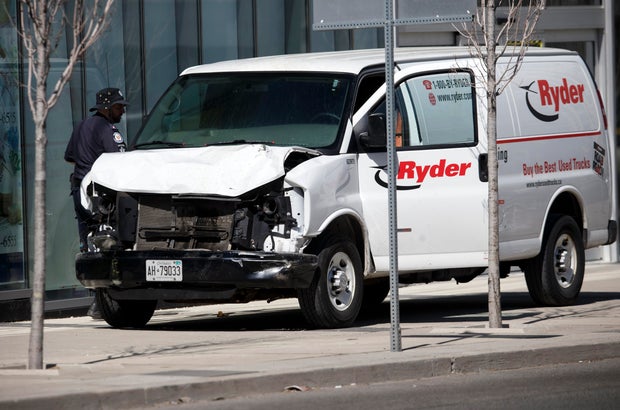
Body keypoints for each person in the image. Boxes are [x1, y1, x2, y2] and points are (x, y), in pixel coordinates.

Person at [65, 87, 128, 318]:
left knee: (89, 244)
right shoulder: (108, 129)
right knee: (108, 244)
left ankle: (96, 300)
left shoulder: (81, 126)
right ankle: (103, 302)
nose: (122, 111)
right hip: (100, 195)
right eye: (119, 106)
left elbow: (69, 158)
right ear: (106, 107)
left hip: (80, 192)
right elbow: (119, 161)